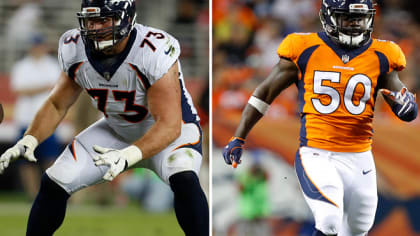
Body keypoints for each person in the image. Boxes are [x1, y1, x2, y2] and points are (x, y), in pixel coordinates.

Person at [0, 0, 209, 235]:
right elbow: (58, 104)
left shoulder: (152, 50)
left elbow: (169, 125)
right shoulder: (74, 47)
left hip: (172, 134)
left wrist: (128, 155)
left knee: (185, 178)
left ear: (126, 19)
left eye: (103, 20)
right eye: (91, 21)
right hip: (118, 131)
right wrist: (30, 138)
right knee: (55, 180)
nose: (95, 28)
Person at [222, 0, 417, 236]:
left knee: (358, 229)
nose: (355, 25)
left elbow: (400, 100)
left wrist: (407, 106)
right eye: (348, 18)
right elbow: (264, 93)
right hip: (317, 152)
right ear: (329, 18)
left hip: (360, 157)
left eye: (360, 18)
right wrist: (238, 137)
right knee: (330, 221)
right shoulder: (304, 48)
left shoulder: (382, 53)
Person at [10, 33, 62, 200]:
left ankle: (51, 193)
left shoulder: (53, 65)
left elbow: (57, 89)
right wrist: (44, 87)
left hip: (47, 119)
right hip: (26, 119)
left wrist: (35, 89)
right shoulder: (22, 66)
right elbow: (20, 89)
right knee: (26, 162)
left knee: (50, 159)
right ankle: (33, 195)